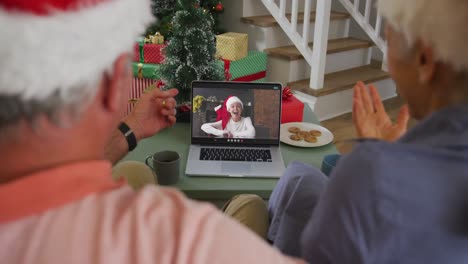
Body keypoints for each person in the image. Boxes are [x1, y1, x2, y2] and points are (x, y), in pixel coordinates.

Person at [0, 0, 304, 263]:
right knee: (251, 204)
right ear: (112, 83)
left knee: (134, 169)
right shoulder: (187, 239)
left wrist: (130, 129)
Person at [268, 0, 468, 263]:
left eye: (389, 40)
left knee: (260, 199)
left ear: (424, 60)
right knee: (301, 176)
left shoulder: (372, 173)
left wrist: (380, 163)